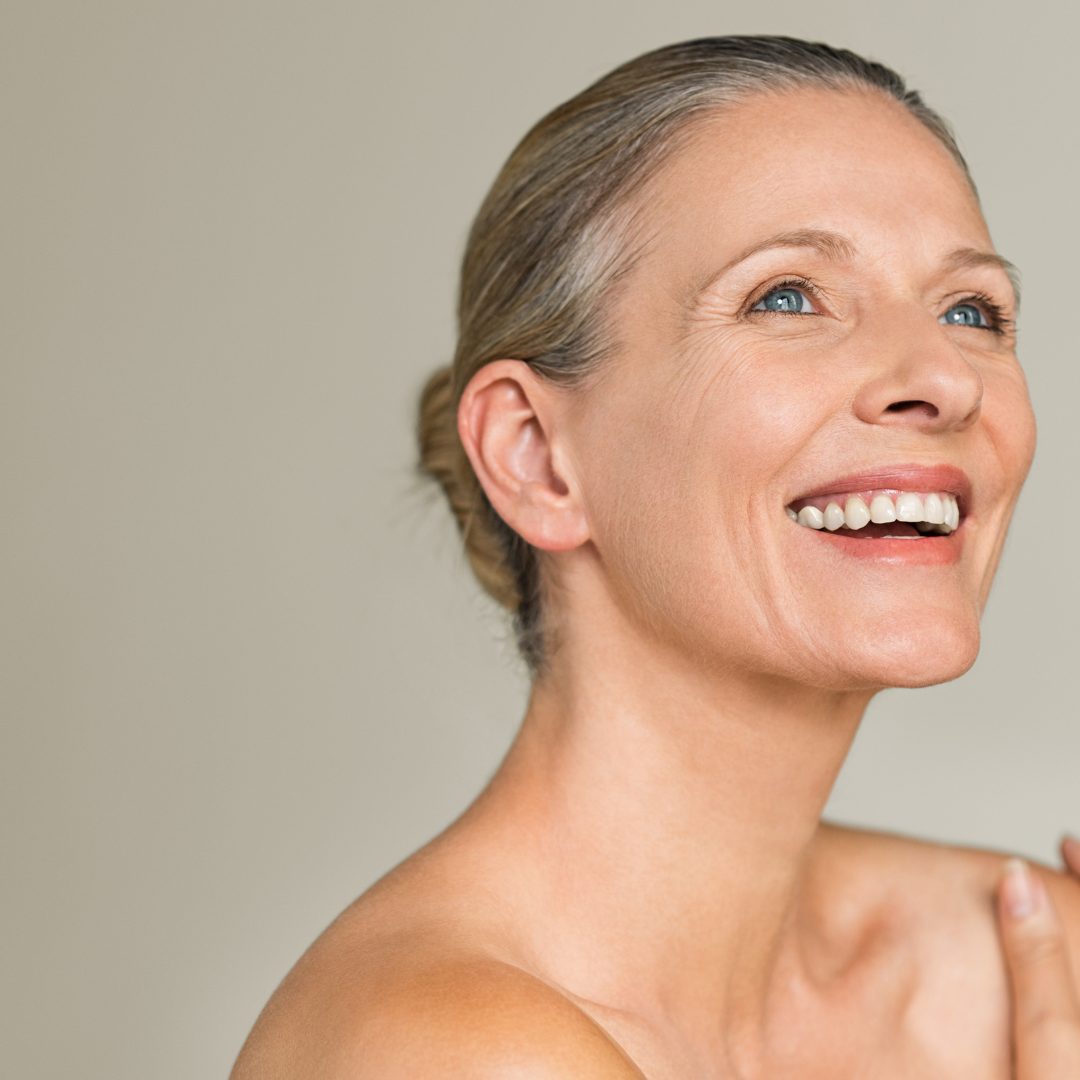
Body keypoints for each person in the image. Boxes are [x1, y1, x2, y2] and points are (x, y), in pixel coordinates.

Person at [231, 37, 1080, 1078]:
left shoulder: (1017, 962)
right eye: (786, 296)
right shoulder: (445, 1050)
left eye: (972, 310)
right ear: (537, 457)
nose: (944, 378)